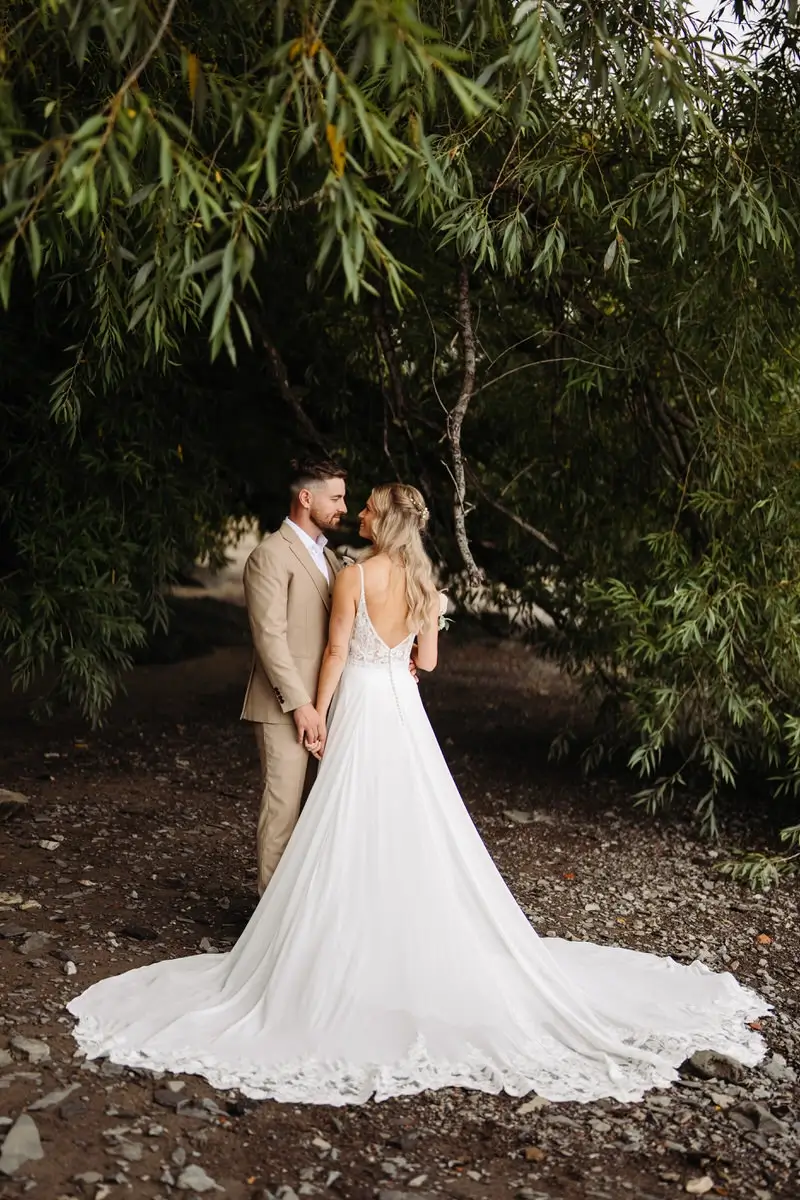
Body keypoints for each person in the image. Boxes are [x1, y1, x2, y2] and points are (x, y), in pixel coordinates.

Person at [67, 483, 768, 1106]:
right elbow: (426, 661)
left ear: (383, 523)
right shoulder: (426, 587)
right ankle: (403, 931)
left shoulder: (354, 576)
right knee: (416, 823)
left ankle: (340, 940)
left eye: (367, 505)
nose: (360, 512)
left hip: (365, 703)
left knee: (348, 820)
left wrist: (316, 713)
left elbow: (338, 652)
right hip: (405, 707)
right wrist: (400, 662)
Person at [240, 458, 346, 895]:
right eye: (336, 497)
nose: (344, 506)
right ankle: (268, 923)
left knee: (321, 813)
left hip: (329, 704)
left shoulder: (334, 560)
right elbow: (270, 638)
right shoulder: (269, 556)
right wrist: (301, 705)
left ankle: (305, 911)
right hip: (284, 706)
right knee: (282, 812)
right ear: (307, 498)